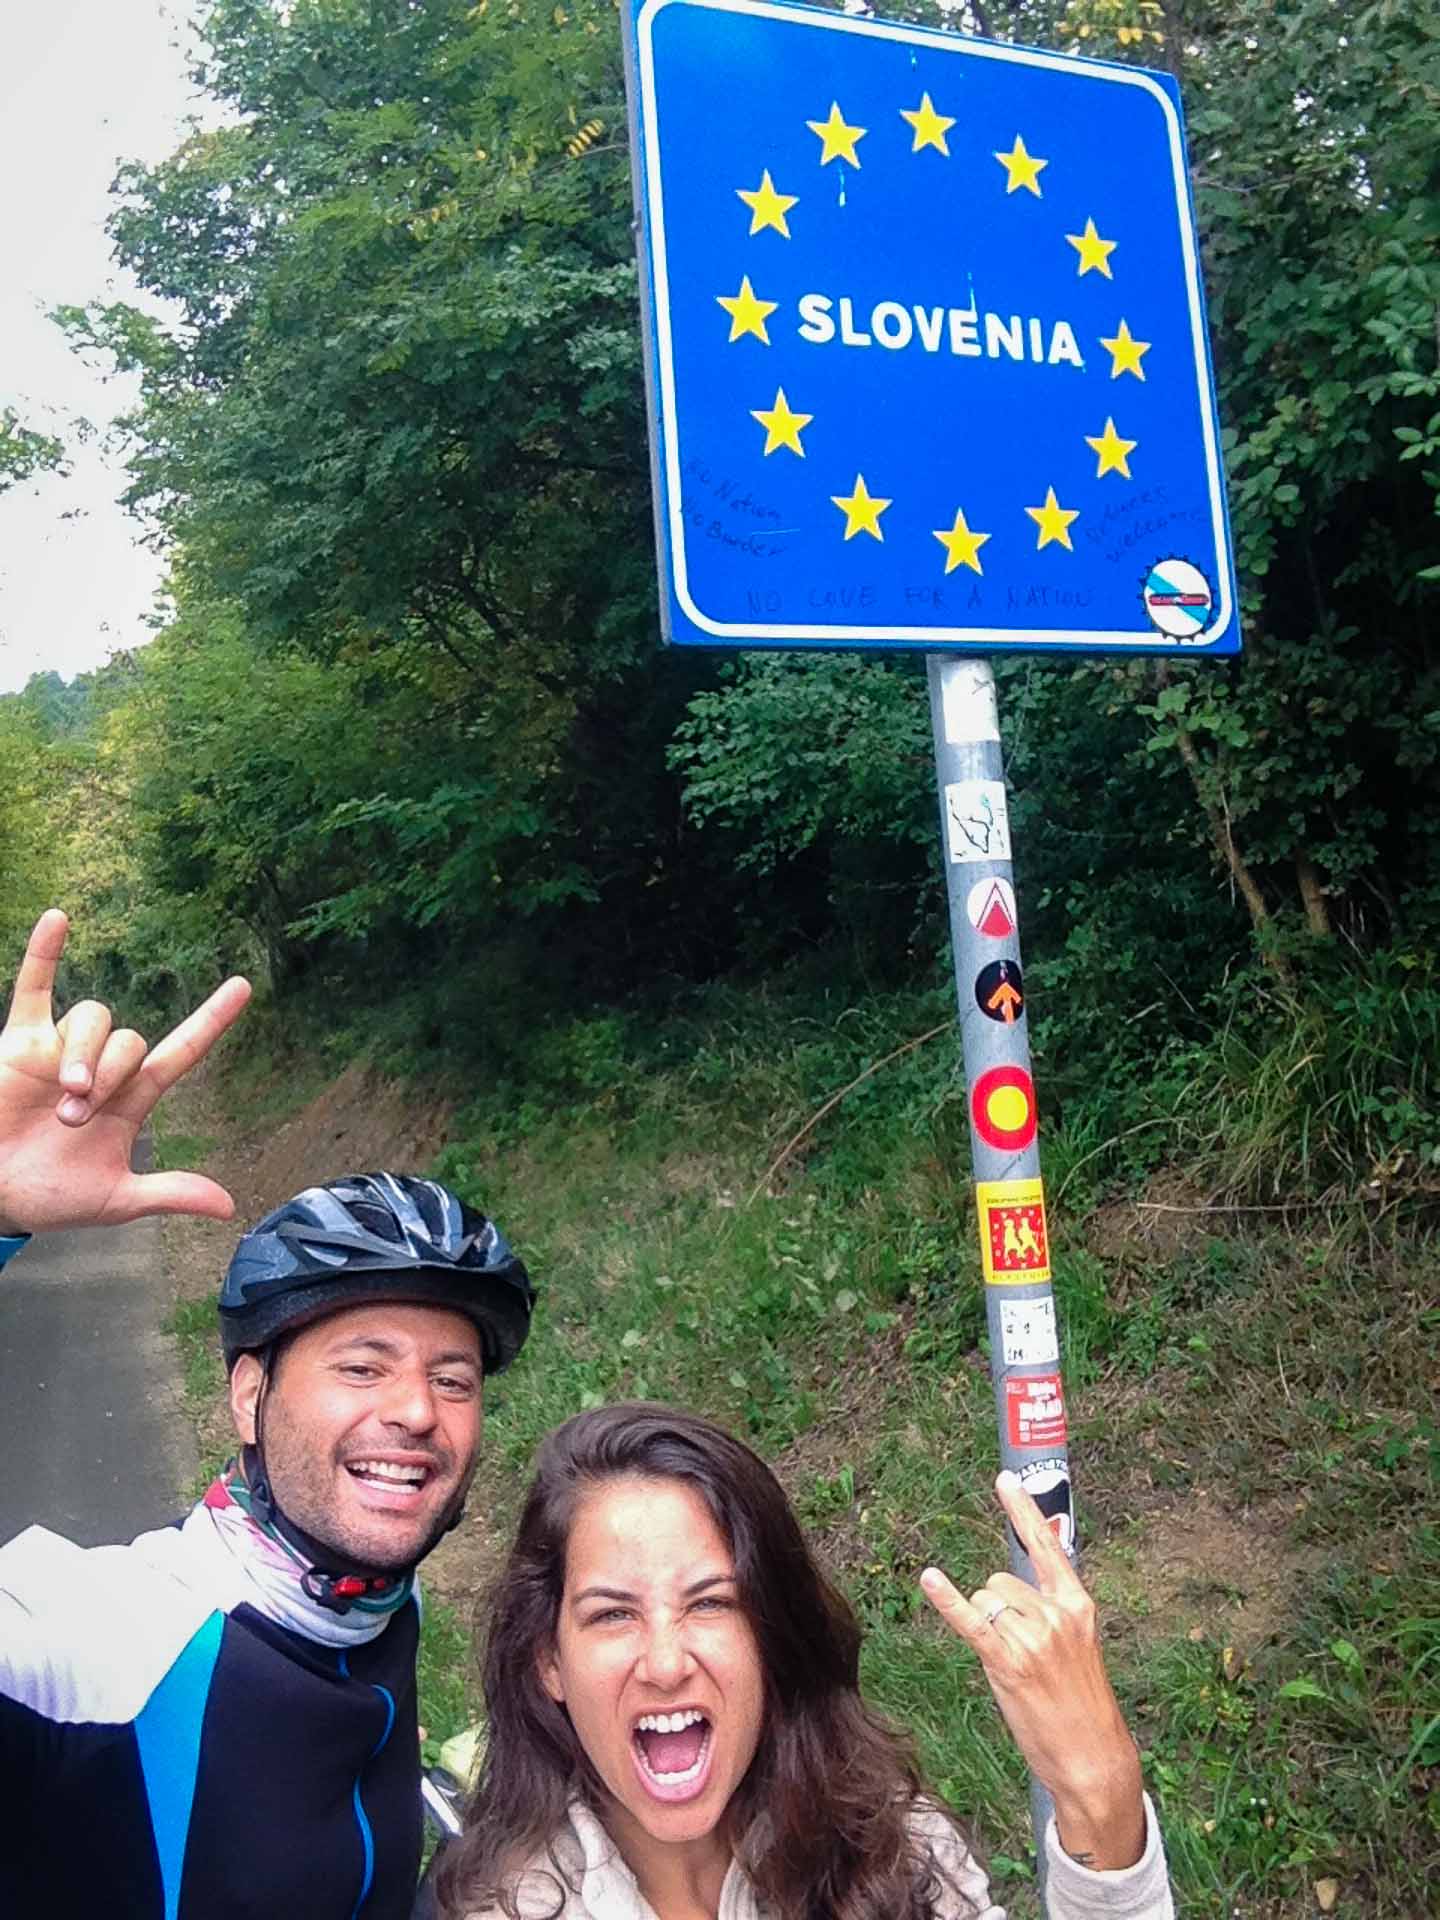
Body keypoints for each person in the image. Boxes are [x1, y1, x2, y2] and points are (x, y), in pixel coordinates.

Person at [0, 909, 535, 1919]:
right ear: (250, 1396)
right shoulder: (93, 1645)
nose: (417, 1411)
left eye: (454, 1379)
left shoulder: (370, 1601)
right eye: (362, 1365)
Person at [436, 1404, 1174, 1920]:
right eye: (612, 1614)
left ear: (770, 1637)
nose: (664, 1662)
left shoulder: (891, 1853)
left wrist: (1100, 1795)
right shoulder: (502, 1909)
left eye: (711, 1603)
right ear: (548, 1661)